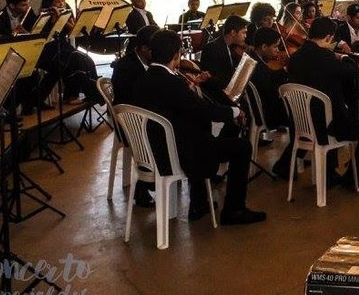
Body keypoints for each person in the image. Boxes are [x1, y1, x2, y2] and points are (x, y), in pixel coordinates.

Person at [131, 29, 265, 225]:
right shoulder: (171, 83)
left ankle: (200, 202)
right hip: (177, 153)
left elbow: (183, 108)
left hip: (153, 149)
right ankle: (234, 210)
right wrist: (235, 112)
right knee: (241, 147)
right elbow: (204, 111)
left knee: (201, 134)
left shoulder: (142, 79)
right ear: (176, 55)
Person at [273, 17, 359, 184]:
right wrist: (343, 58)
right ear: (329, 38)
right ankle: (353, 175)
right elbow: (353, 71)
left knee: (331, 107)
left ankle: (328, 172)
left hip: (301, 122)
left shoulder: (295, 57)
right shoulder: (326, 58)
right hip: (325, 126)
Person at [110, 24, 158, 207]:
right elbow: (134, 101)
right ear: (144, 48)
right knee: (166, 132)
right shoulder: (126, 67)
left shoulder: (147, 61)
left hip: (140, 115)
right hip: (129, 122)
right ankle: (146, 183)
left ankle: (158, 177)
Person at [247, 26, 290, 129]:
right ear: (264, 47)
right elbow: (269, 88)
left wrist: (284, 70)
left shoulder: (254, 58)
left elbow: (270, 75)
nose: (278, 50)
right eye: (275, 47)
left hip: (267, 103)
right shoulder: (255, 66)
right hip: (268, 112)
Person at [198, 15, 248, 94]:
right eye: (243, 33)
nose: (245, 36)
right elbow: (211, 81)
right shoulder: (212, 48)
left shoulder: (230, 47)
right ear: (233, 32)